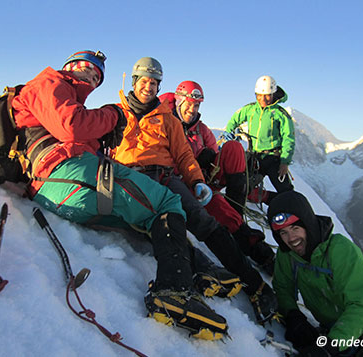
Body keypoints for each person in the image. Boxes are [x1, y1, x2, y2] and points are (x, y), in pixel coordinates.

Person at [10, 50, 228, 340]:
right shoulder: (50, 82)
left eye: (96, 77)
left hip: (63, 189)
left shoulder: (68, 98)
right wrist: (112, 115)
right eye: (88, 70)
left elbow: (79, 133)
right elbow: (72, 125)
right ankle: (172, 291)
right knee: (166, 201)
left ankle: (197, 271)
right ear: (70, 67)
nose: (91, 77)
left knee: (144, 220)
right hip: (66, 172)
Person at [111, 57, 277, 324]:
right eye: (144, 81)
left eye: (154, 83)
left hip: (166, 177)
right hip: (133, 178)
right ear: (134, 82)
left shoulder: (168, 120)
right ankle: (186, 281)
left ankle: (257, 286)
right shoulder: (116, 113)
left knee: (205, 222)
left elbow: (185, 156)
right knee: (167, 219)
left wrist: (197, 180)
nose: (148, 87)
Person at [268, 191, 363, 356]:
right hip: (337, 330)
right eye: (283, 233)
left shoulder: (340, 250)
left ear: (308, 225)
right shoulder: (287, 255)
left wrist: (331, 345)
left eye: (295, 228)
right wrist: (293, 315)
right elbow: (283, 287)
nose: (291, 238)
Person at [158, 81, 275, 276]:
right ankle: (248, 241)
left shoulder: (200, 129)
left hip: (201, 179)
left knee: (234, 148)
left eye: (197, 105)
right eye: (189, 103)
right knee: (216, 205)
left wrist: (209, 158)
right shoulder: (164, 122)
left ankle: (236, 214)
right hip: (182, 183)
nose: (193, 109)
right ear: (178, 101)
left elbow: (215, 152)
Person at [224, 75, 295, 193]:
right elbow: (235, 119)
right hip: (254, 156)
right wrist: (229, 131)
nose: (263, 99)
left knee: (285, 190)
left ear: (273, 94)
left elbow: (289, 138)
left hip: (273, 158)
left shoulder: (280, 114)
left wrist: (285, 162)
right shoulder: (250, 109)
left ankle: (292, 207)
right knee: (241, 186)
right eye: (259, 95)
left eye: (267, 95)